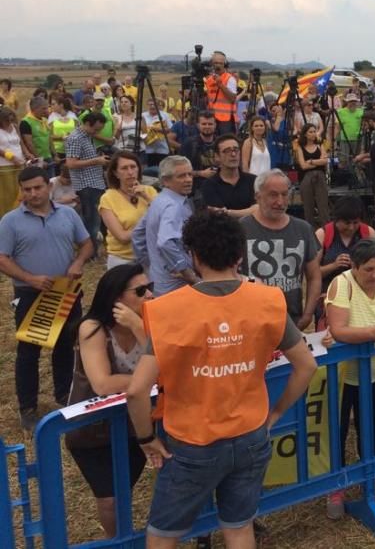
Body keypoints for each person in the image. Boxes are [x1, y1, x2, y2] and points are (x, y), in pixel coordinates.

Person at [125, 211, 317, 548]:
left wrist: (145, 439)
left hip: (192, 441)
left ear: (194, 256)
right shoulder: (268, 300)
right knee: (239, 526)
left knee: (163, 533)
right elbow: (306, 366)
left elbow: (137, 390)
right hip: (251, 434)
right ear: (240, 255)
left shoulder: (167, 310)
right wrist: (274, 414)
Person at [0, 166, 93, 429]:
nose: (33, 193)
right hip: (31, 294)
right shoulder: (10, 221)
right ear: (21, 191)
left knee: (66, 344)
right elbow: (2, 259)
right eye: (27, 189)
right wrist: (30, 278)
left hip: (65, 291)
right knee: (29, 351)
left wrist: (78, 262)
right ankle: (27, 406)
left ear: (48, 186)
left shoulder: (67, 214)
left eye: (38, 187)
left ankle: (64, 394)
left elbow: (86, 243)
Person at [321, 239, 375, 519]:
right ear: (354, 268)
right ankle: (336, 487)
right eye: (368, 269)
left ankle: (374, 476)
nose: (374, 275)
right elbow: (339, 329)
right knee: (338, 428)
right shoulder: (341, 284)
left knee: (370, 424)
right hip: (342, 372)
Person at [65, 263, 151, 538]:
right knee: (110, 499)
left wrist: (140, 329)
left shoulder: (152, 321)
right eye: (140, 291)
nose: (149, 295)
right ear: (116, 298)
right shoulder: (92, 328)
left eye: (150, 288)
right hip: (93, 430)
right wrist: (150, 380)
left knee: (123, 490)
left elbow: (169, 368)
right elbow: (102, 383)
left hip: (138, 424)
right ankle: (116, 542)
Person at [240, 169, 322, 330]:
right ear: (258, 196)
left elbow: (314, 276)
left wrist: (307, 314)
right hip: (250, 321)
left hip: (291, 320)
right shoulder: (241, 228)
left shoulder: (303, 229)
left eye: (285, 195)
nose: (280, 201)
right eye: (273, 195)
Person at [131, 156, 196, 296]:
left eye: (190, 174)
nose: (188, 179)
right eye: (181, 176)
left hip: (159, 280)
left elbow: (137, 234)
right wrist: (185, 271)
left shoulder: (159, 201)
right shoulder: (173, 206)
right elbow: (165, 242)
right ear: (166, 181)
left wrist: (152, 264)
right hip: (177, 286)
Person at [316, 196, 375, 321]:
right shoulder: (323, 234)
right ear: (336, 220)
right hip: (329, 294)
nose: (351, 227)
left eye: (355, 223)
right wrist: (334, 265)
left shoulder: (368, 233)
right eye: (346, 223)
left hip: (362, 293)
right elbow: (312, 273)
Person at [99, 151, 158, 268]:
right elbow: (122, 237)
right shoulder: (108, 198)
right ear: (116, 173)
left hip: (150, 256)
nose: (130, 172)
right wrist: (151, 225)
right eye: (124, 168)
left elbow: (164, 218)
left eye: (133, 167)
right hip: (123, 259)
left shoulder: (150, 191)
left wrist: (146, 197)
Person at [65, 111, 110, 256]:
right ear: (87, 124)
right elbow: (71, 163)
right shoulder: (75, 138)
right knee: (91, 221)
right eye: (96, 129)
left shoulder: (87, 136)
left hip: (95, 183)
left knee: (96, 219)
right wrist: (97, 161)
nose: (97, 133)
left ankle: (96, 250)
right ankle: (90, 253)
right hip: (86, 185)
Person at [199, 134, 256, 218]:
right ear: (217, 156)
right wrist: (248, 212)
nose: (233, 154)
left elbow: (259, 209)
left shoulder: (253, 180)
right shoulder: (209, 185)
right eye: (227, 151)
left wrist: (228, 212)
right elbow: (219, 215)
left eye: (236, 150)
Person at [292, 123, 330, 227]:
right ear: (305, 134)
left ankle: (326, 229)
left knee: (323, 206)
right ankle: (310, 230)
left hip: (320, 177)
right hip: (306, 178)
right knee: (308, 207)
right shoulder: (300, 147)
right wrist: (318, 163)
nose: (313, 134)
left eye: (314, 131)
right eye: (311, 132)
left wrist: (312, 161)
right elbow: (303, 166)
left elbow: (325, 161)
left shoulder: (320, 145)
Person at [180, 110, 219, 195]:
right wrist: (201, 173)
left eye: (210, 124)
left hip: (218, 188)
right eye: (204, 124)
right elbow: (180, 170)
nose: (207, 126)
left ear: (215, 125)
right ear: (198, 125)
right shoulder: (189, 144)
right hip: (196, 191)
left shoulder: (221, 143)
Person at [0, 107, 28, 216]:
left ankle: (19, 215)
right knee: (7, 194)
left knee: (19, 192)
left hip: (19, 164)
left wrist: (27, 153)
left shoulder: (15, 127)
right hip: (5, 166)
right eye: (7, 120)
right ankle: (5, 217)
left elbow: (20, 142)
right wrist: (11, 157)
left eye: (11, 120)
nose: (9, 122)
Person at [204, 51, 239, 135]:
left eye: (220, 63)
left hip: (225, 120)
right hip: (211, 117)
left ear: (224, 64)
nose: (218, 65)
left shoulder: (229, 79)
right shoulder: (209, 79)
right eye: (216, 63)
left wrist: (221, 85)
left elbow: (233, 98)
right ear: (212, 63)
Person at [19, 95, 52, 164]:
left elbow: (49, 139)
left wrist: (54, 155)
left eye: (47, 108)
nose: (46, 111)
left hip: (48, 157)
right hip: (35, 160)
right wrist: (39, 160)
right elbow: (29, 144)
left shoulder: (44, 120)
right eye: (43, 108)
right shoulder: (25, 122)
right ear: (35, 108)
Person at [141, 98, 172, 168]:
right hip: (148, 149)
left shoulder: (164, 115)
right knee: (149, 172)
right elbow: (140, 131)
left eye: (155, 104)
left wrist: (159, 129)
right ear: (147, 105)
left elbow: (170, 129)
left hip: (162, 149)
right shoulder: (143, 116)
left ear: (158, 106)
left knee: (162, 170)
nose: (152, 106)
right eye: (150, 104)